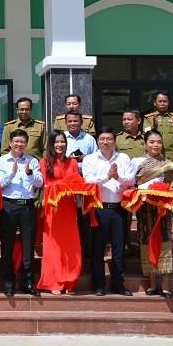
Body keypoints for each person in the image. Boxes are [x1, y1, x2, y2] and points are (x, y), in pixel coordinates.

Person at [83, 126, 135, 296]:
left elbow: (130, 179)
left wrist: (117, 177)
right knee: (97, 249)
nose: (105, 142)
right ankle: (99, 284)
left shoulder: (123, 157)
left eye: (109, 139)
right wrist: (107, 176)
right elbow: (88, 181)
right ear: (97, 141)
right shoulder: (90, 159)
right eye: (102, 139)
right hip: (100, 209)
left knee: (119, 249)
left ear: (114, 141)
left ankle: (118, 285)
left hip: (119, 209)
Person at [130, 130, 173, 299]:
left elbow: (171, 185)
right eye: (152, 142)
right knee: (146, 240)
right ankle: (152, 283)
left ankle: (165, 285)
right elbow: (133, 185)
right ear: (145, 143)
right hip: (145, 210)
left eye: (158, 142)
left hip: (162, 210)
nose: (155, 145)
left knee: (164, 240)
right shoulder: (137, 163)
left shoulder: (168, 163)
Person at [0, 129, 44, 297]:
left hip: (28, 207)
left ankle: (28, 282)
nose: (19, 144)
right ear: (10, 143)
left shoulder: (32, 161)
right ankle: (8, 283)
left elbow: (40, 182)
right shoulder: (2, 161)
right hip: (9, 206)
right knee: (7, 245)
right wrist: (12, 173)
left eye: (22, 142)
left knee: (28, 246)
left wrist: (29, 172)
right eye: (16, 141)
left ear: (26, 144)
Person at [36, 131, 82, 295]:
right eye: (56, 142)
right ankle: (54, 281)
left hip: (68, 208)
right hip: (52, 208)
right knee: (53, 245)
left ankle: (69, 281)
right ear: (51, 144)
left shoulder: (73, 163)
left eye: (62, 142)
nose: (60, 145)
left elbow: (77, 182)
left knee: (70, 244)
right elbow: (43, 184)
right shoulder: (44, 162)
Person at [143, 91, 173, 219]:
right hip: (156, 153)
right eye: (159, 101)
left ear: (169, 102)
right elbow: (146, 133)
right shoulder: (149, 118)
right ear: (155, 103)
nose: (162, 103)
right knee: (156, 179)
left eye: (165, 101)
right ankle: (156, 204)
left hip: (172, 153)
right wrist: (154, 125)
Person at [64, 110, 98, 259]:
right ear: (66, 122)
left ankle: (86, 250)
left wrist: (86, 159)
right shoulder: (62, 138)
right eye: (70, 121)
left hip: (84, 182)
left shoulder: (89, 139)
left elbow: (97, 158)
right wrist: (69, 159)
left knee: (83, 215)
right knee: (68, 216)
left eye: (75, 121)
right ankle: (69, 249)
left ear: (81, 122)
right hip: (65, 183)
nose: (73, 123)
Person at [116, 108, 145, 256]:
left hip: (144, 185)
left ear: (138, 121)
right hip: (126, 186)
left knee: (144, 218)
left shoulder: (146, 139)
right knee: (125, 219)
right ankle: (125, 249)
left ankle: (143, 248)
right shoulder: (118, 138)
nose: (126, 122)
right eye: (124, 119)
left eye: (129, 119)